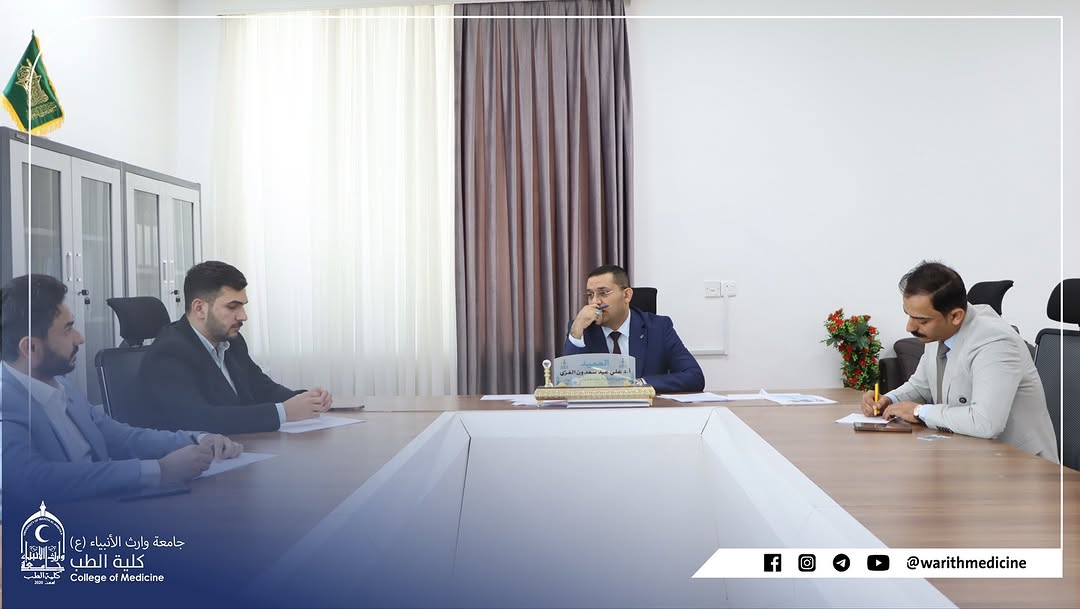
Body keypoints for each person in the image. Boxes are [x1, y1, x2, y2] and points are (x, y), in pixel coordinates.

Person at [0, 274, 243, 501]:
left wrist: (198, 439)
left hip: (106, 507)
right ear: (31, 348)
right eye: (67, 329)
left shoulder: (62, 386)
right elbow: (32, 480)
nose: (80, 338)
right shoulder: (6, 403)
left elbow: (120, 437)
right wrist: (160, 470)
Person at [862, 261, 1058, 462]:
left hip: (1019, 466)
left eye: (922, 320)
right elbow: (921, 387)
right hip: (971, 457)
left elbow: (985, 423)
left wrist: (919, 411)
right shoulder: (940, 332)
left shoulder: (996, 342)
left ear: (955, 316)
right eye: (909, 316)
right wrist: (888, 400)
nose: (910, 327)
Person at [139, 261, 332, 434]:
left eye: (243, 306)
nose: (243, 316)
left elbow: (262, 388)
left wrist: (308, 399)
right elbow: (199, 419)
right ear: (200, 308)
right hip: (192, 457)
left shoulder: (232, 341)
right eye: (232, 307)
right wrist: (284, 412)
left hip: (240, 447)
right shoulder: (170, 352)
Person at [563, 264, 705, 393]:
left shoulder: (659, 328)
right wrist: (576, 329)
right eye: (590, 295)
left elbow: (694, 376)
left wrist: (639, 384)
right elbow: (566, 382)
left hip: (646, 410)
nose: (595, 302)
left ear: (626, 295)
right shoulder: (582, 329)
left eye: (603, 293)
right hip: (599, 411)